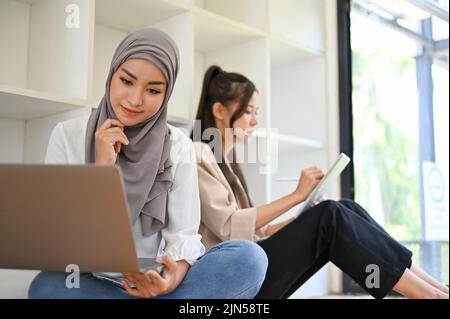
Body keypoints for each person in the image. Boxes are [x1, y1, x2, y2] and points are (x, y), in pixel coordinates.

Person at [28, 29, 268, 299]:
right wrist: (101, 170)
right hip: (95, 284)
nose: (135, 100)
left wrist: (169, 280)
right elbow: (59, 239)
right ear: (111, 75)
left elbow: (183, 237)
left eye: (153, 90)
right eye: (126, 81)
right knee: (47, 286)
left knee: (249, 258)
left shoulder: (177, 145)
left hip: (161, 285)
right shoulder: (67, 135)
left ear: (166, 94)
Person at [191, 65, 449, 299]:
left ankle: (436, 288)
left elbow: (256, 234)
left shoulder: (228, 161)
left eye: (256, 112)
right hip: (238, 277)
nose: (256, 121)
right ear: (219, 111)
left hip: (252, 262)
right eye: (249, 112)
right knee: (331, 216)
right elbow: (229, 227)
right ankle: (430, 297)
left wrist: (301, 219)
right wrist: (296, 195)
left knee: (346, 208)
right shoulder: (198, 153)